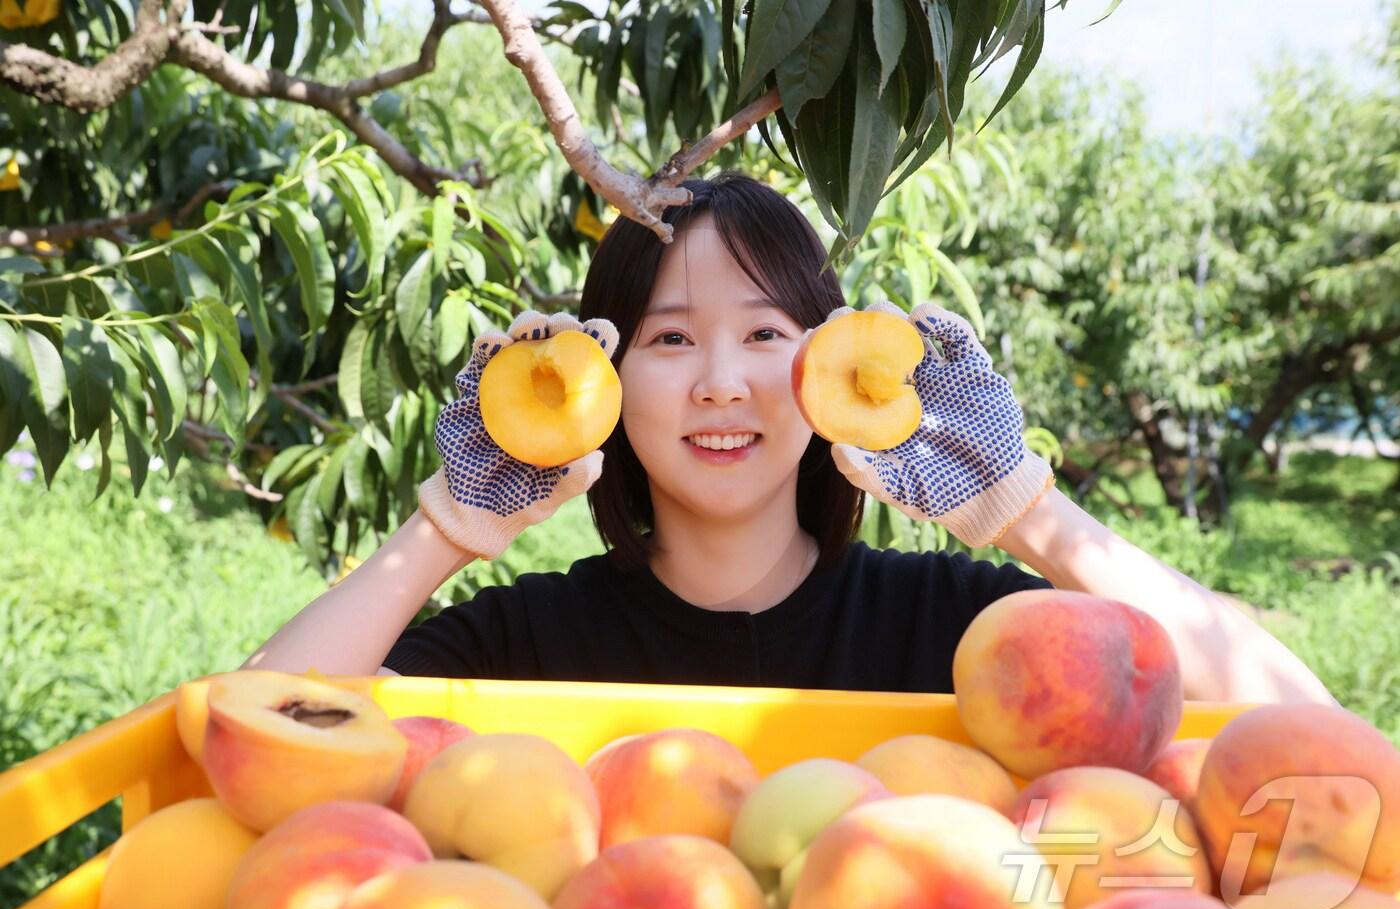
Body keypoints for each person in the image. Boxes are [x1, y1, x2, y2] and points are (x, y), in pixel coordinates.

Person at [242, 171, 1335, 706]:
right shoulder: (522, 644)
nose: (721, 382)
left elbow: (1290, 713)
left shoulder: (961, 633)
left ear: (828, 366)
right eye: (669, 338)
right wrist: (444, 527)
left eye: (765, 331)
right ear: (607, 374)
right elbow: (255, 725)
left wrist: (1025, 512)